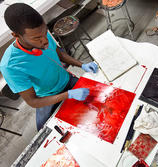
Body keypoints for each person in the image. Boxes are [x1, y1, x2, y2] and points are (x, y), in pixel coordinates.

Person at [0, 3, 98, 131]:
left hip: (68, 81)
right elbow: (33, 101)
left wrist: (82, 64)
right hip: (47, 98)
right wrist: (68, 95)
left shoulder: (41, 35)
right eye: (37, 38)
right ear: (16, 35)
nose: (45, 40)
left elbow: (59, 53)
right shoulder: (10, 65)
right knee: (51, 133)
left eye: (45, 32)